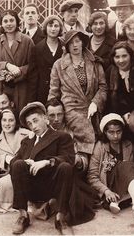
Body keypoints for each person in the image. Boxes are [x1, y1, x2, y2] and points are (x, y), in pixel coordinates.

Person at [9, 102, 75, 235]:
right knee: (17, 165)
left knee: (65, 167)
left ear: (45, 118)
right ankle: (23, 216)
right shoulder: (27, 141)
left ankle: (60, 219)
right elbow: (13, 161)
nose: (33, 126)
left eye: (35, 121)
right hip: (33, 188)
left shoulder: (61, 137)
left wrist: (47, 161)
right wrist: (24, 161)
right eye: (29, 124)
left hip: (54, 187)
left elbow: (68, 158)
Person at [48, 30, 107, 172]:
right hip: (70, 111)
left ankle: (92, 175)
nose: (75, 45)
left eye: (77, 41)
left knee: (97, 144)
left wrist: (96, 102)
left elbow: (103, 87)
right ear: (66, 46)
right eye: (71, 43)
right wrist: (52, 114)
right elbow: (53, 92)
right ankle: (82, 170)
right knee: (79, 142)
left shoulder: (94, 62)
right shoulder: (59, 65)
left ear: (83, 42)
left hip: (92, 110)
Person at [87, 113, 134, 218]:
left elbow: (133, 170)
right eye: (111, 132)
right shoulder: (100, 147)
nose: (115, 136)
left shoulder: (128, 145)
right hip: (109, 184)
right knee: (125, 165)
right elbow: (92, 176)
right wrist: (106, 191)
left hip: (125, 183)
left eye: (118, 131)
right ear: (105, 132)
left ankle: (118, 201)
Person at [105, 41, 134, 167]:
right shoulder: (110, 72)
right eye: (117, 57)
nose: (121, 60)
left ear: (130, 55)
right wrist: (123, 113)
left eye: (124, 56)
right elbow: (112, 99)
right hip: (120, 112)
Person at [0, 108, 32, 213]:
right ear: (0, 122)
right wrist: (4, 158)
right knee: (3, 182)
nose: (7, 123)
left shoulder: (27, 134)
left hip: (26, 171)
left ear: (16, 121)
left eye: (11, 120)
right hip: (8, 173)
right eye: (4, 120)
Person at [0, 10, 34, 112]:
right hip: (3, 89)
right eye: (5, 21)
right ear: (1, 24)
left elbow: (33, 65)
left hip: (22, 88)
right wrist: (5, 65)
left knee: (22, 115)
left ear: (17, 22)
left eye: (11, 20)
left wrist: (20, 70)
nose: (9, 24)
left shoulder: (27, 41)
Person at [28, 15, 63, 104]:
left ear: (60, 28)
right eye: (50, 26)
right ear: (45, 27)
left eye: (56, 26)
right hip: (43, 92)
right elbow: (33, 77)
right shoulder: (37, 49)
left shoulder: (64, 47)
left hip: (62, 91)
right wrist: (32, 100)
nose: (53, 29)